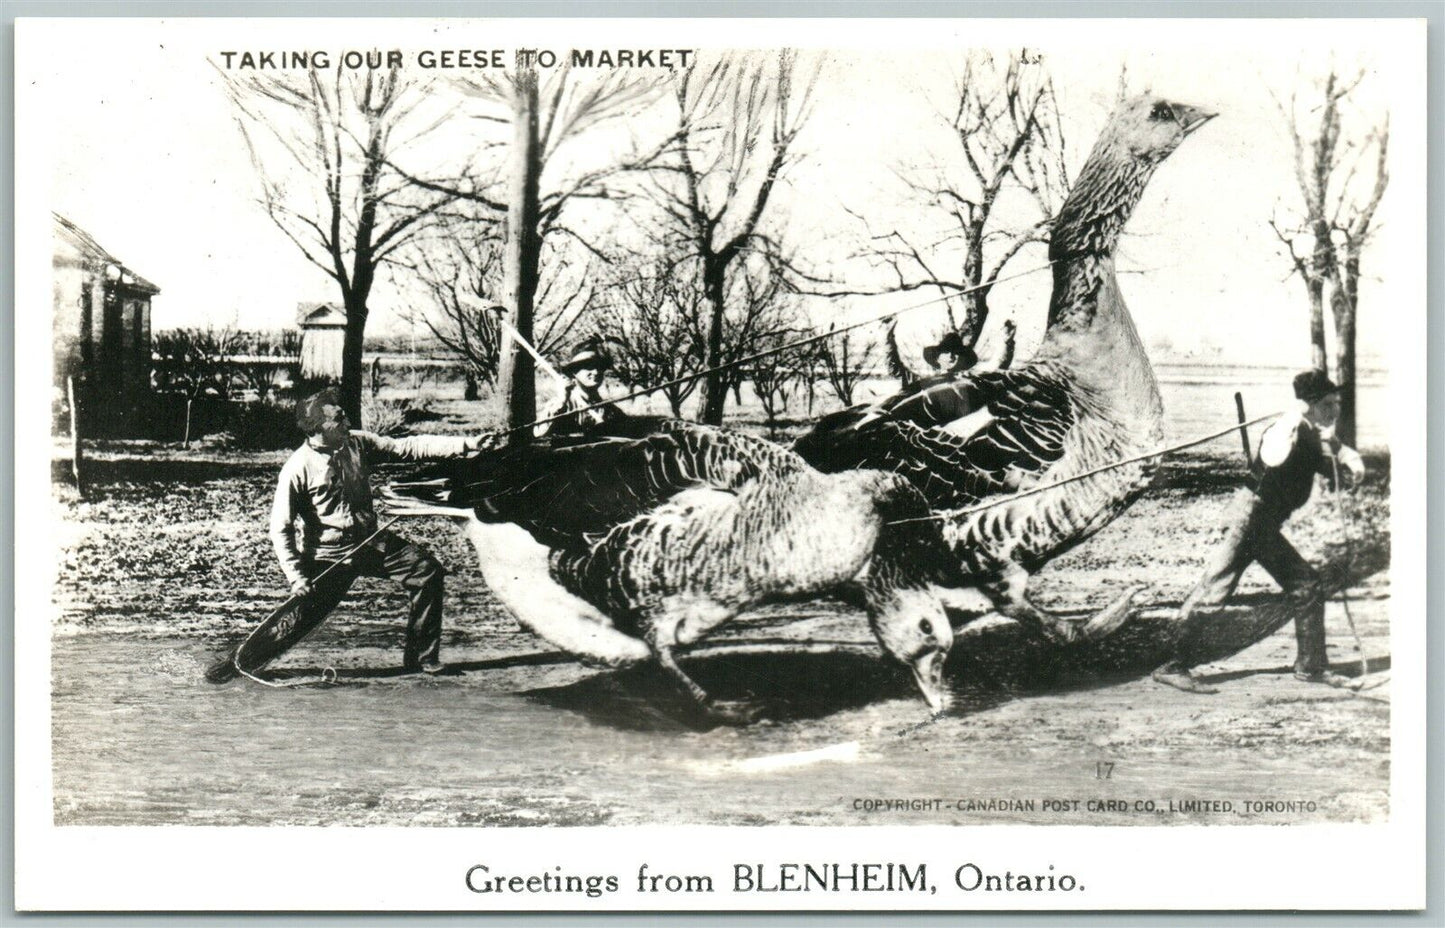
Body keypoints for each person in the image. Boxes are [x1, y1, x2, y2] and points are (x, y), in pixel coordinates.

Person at [205, 387, 483, 683]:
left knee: (426, 571)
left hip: (371, 543)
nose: (347, 421)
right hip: (329, 558)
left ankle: (421, 659)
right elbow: (280, 527)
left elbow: (408, 446)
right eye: (339, 419)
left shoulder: (357, 443)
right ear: (318, 428)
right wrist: (296, 577)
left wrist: (467, 443)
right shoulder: (297, 468)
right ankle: (240, 666)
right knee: (295, 621)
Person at [1153, 370, 1366, 694]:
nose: (1335, 410)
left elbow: (1331, 459)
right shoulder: (1286, 430)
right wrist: (1293, 421)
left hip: (1263, 525)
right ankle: (1172, 665)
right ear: (1310, 405)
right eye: (1328, 404)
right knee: (1215, 589)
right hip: (1249, 519)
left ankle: (1311, 667)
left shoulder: (1312, 433)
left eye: (1336, 403)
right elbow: (1273, 455)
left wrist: (1349, 463)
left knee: (1306, 586)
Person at [534, 343, 627, 438]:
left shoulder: (609, 409)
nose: (596, 372)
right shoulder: (561, 405)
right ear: (574, 372)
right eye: (589, 367)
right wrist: (562, 400)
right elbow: (538, 433)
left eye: (599, 367)